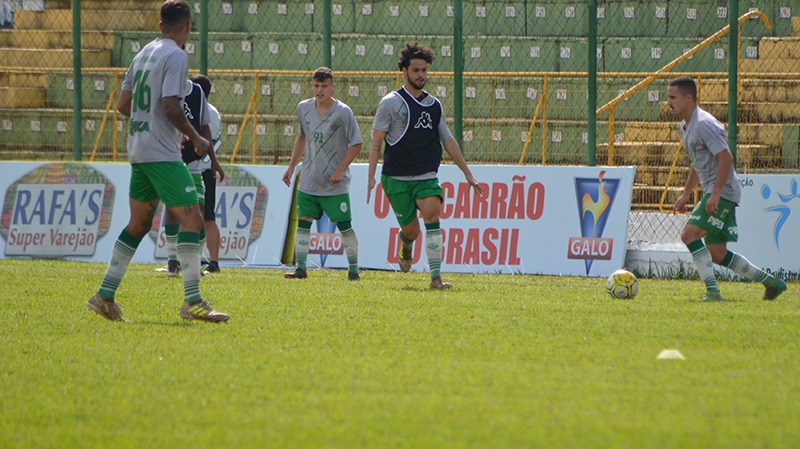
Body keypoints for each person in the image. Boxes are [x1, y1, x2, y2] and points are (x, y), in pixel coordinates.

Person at [87, 0, 229, 322]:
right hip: (162, 154)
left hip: (138, 149)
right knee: (192, 220)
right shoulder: (177, 55)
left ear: (160, 24)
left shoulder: (142, 54)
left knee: (137, 225)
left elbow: (124, 104)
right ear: (188, 27)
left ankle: (104, 296)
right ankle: (193, 302)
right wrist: (195, 137)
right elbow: (170, 105)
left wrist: (154, 125)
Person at [367, 43, 485, 289]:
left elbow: (448, 140)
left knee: (432, 213)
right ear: (404, 71)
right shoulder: (390, 103)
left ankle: (436, 278)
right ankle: (405, 242)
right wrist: (371, 177)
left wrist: (468, 173)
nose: (421, 75)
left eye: (424, 70)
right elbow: (376, 142)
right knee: (412, 231)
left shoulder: (434, 105)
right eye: (416, 70)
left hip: (426, 175)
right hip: (396, 177)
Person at [668, 76, 787, 302]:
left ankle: (712, 292)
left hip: (722, 191)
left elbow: (726, 157)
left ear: (689, 98)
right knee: (717, 253)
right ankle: (772, 282)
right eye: (668, 97)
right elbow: (698, 161)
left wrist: (715, 193)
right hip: (714, 190)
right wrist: (686, 193)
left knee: (688, 234)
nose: (669, 102)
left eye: (673, 97)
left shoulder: (704, 123)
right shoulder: (684, 127)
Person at [282, 67, 363, 281]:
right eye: (316, 86)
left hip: (334, 183)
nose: (319, 90)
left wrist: (339, 169)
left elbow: (357, 144)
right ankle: (301, 269)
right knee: (304, 222)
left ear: (332, 87)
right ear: (312, 85)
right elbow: (301, 137)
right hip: (309, 179)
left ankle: (353, 271)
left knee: (344, 225)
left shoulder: (343, 112)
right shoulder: (303, 108)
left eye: (324, 86)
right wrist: (291, 167)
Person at [162, 76, 224, 276]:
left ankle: (196, 261)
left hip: (197, 164)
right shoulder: (165, 91)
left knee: (201, 212)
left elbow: (205, 128)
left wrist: (212, 160)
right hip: (170, 161)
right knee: (172, 210)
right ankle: (173, 259)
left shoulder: (197, 94)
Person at [192, 75, 224, 274]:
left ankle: (211, 262)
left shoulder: (206, 112)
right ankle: (207, 261)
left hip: (201, 168)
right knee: (202, 216)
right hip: (204, 167)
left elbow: (207, 141)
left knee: (206, 216)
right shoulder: (211, 111)